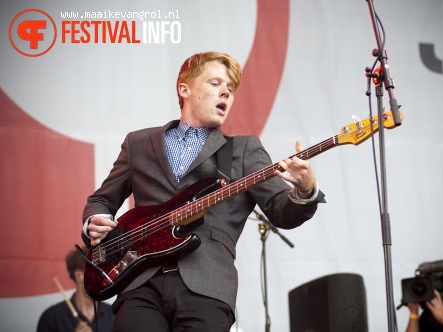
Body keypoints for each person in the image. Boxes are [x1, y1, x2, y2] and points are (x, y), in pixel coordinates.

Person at [81, 51, 326, 331]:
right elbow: (101, 199)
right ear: (184, 89)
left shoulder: (243, 149)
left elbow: (282, 211)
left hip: (207, 286)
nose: (225, 92)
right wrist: (94, 221)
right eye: (215, 83)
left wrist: (306, 189)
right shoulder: (139, 142)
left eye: (230, 89)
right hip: (140, 283)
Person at [37, 248, 114, 332]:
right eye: (97, 272)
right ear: (78, 276)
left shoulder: (114, 315)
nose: (103, 279)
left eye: (106, 273)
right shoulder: (51, 317)